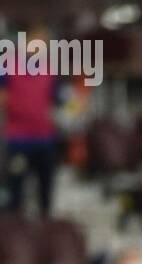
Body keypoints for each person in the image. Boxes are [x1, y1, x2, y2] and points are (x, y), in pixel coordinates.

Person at [0, 21, 63, 216]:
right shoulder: (9, 65)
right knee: (15, 193)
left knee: (45, 194)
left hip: (44, 139)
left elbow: (57, 100)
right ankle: (13, 235)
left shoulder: (50, 69)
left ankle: (44, 230)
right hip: (18, 139)